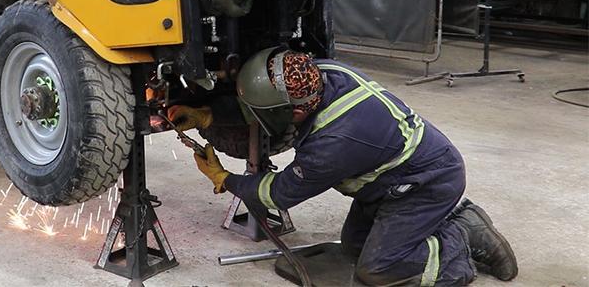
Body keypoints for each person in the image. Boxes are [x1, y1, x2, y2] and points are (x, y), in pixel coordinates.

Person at [168, 47, 517, 286]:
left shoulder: (332, 145)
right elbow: (264, 105)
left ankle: (462, 238)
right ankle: (451, 225)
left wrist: (222, 178)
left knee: (379, 270)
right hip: (394, 179)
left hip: (425, 184)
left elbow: (277, 194)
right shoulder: (322, 73)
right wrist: (209, 114)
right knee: (354, 249)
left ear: (297, 111)